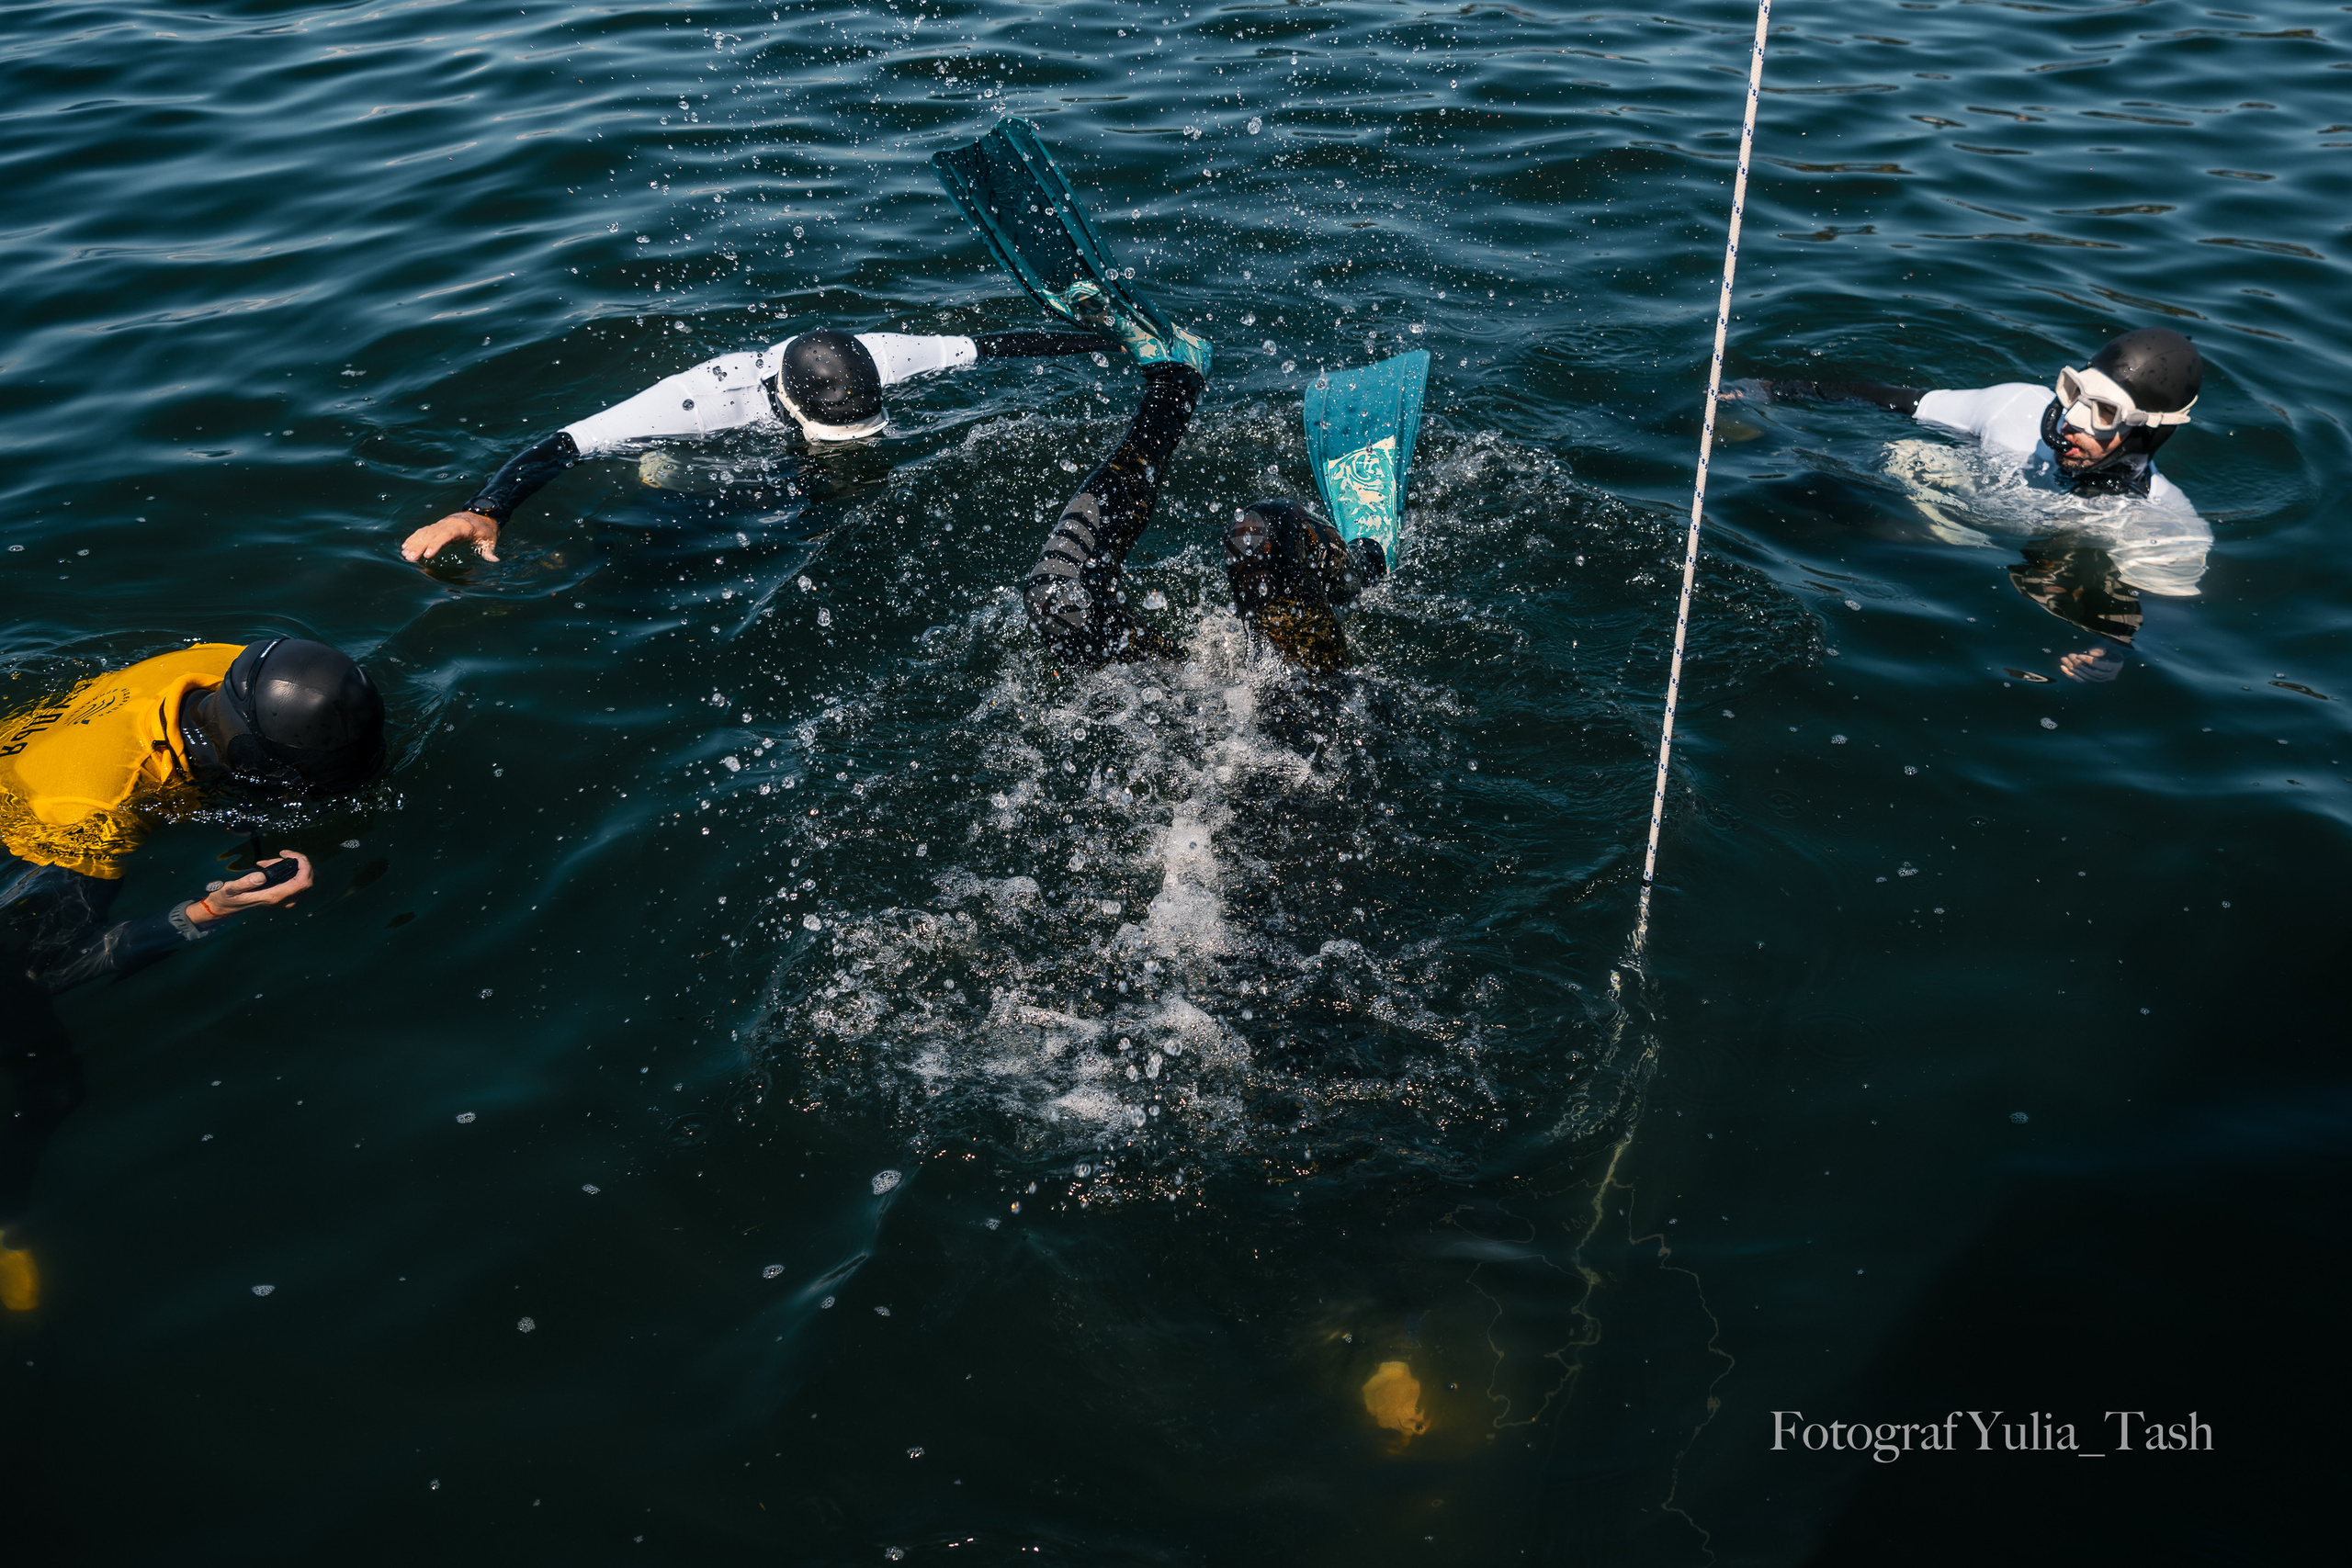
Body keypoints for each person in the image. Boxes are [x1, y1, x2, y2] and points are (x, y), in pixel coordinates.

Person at [0, 638, 385, 1311]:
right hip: (36, 815)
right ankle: (8, 1224)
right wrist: (207, 910)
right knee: (52, 1083)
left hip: (49, 751)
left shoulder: (236, 669)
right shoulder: (91, 814)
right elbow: (54, 967)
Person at [400, 324, 1113, 564]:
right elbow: (564, 445)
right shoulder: (692, 403)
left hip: (794, 428)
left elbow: (996, 346)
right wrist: (487, 510)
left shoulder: (885, 356)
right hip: (698, 456)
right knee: (665, 482)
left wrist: (1109, 341)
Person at [1729, 327, 2209, 682]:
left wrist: (2114, 651)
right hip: (1915, 492)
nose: (2068, 423)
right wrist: (1770, 390)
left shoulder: (2160, 521)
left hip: (1964, 557)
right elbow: (1892, 402)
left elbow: (2170, 617)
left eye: (2102, 414)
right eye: (2074, 394)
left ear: (2148, 430)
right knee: (1798, 485)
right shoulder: (2014, 408)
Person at [1019, 294, 1386, 675]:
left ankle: (1174, 385)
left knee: (1054, 602)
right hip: (1301, 710)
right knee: (1258, 535)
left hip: (1187, 700)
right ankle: (1361, 569)